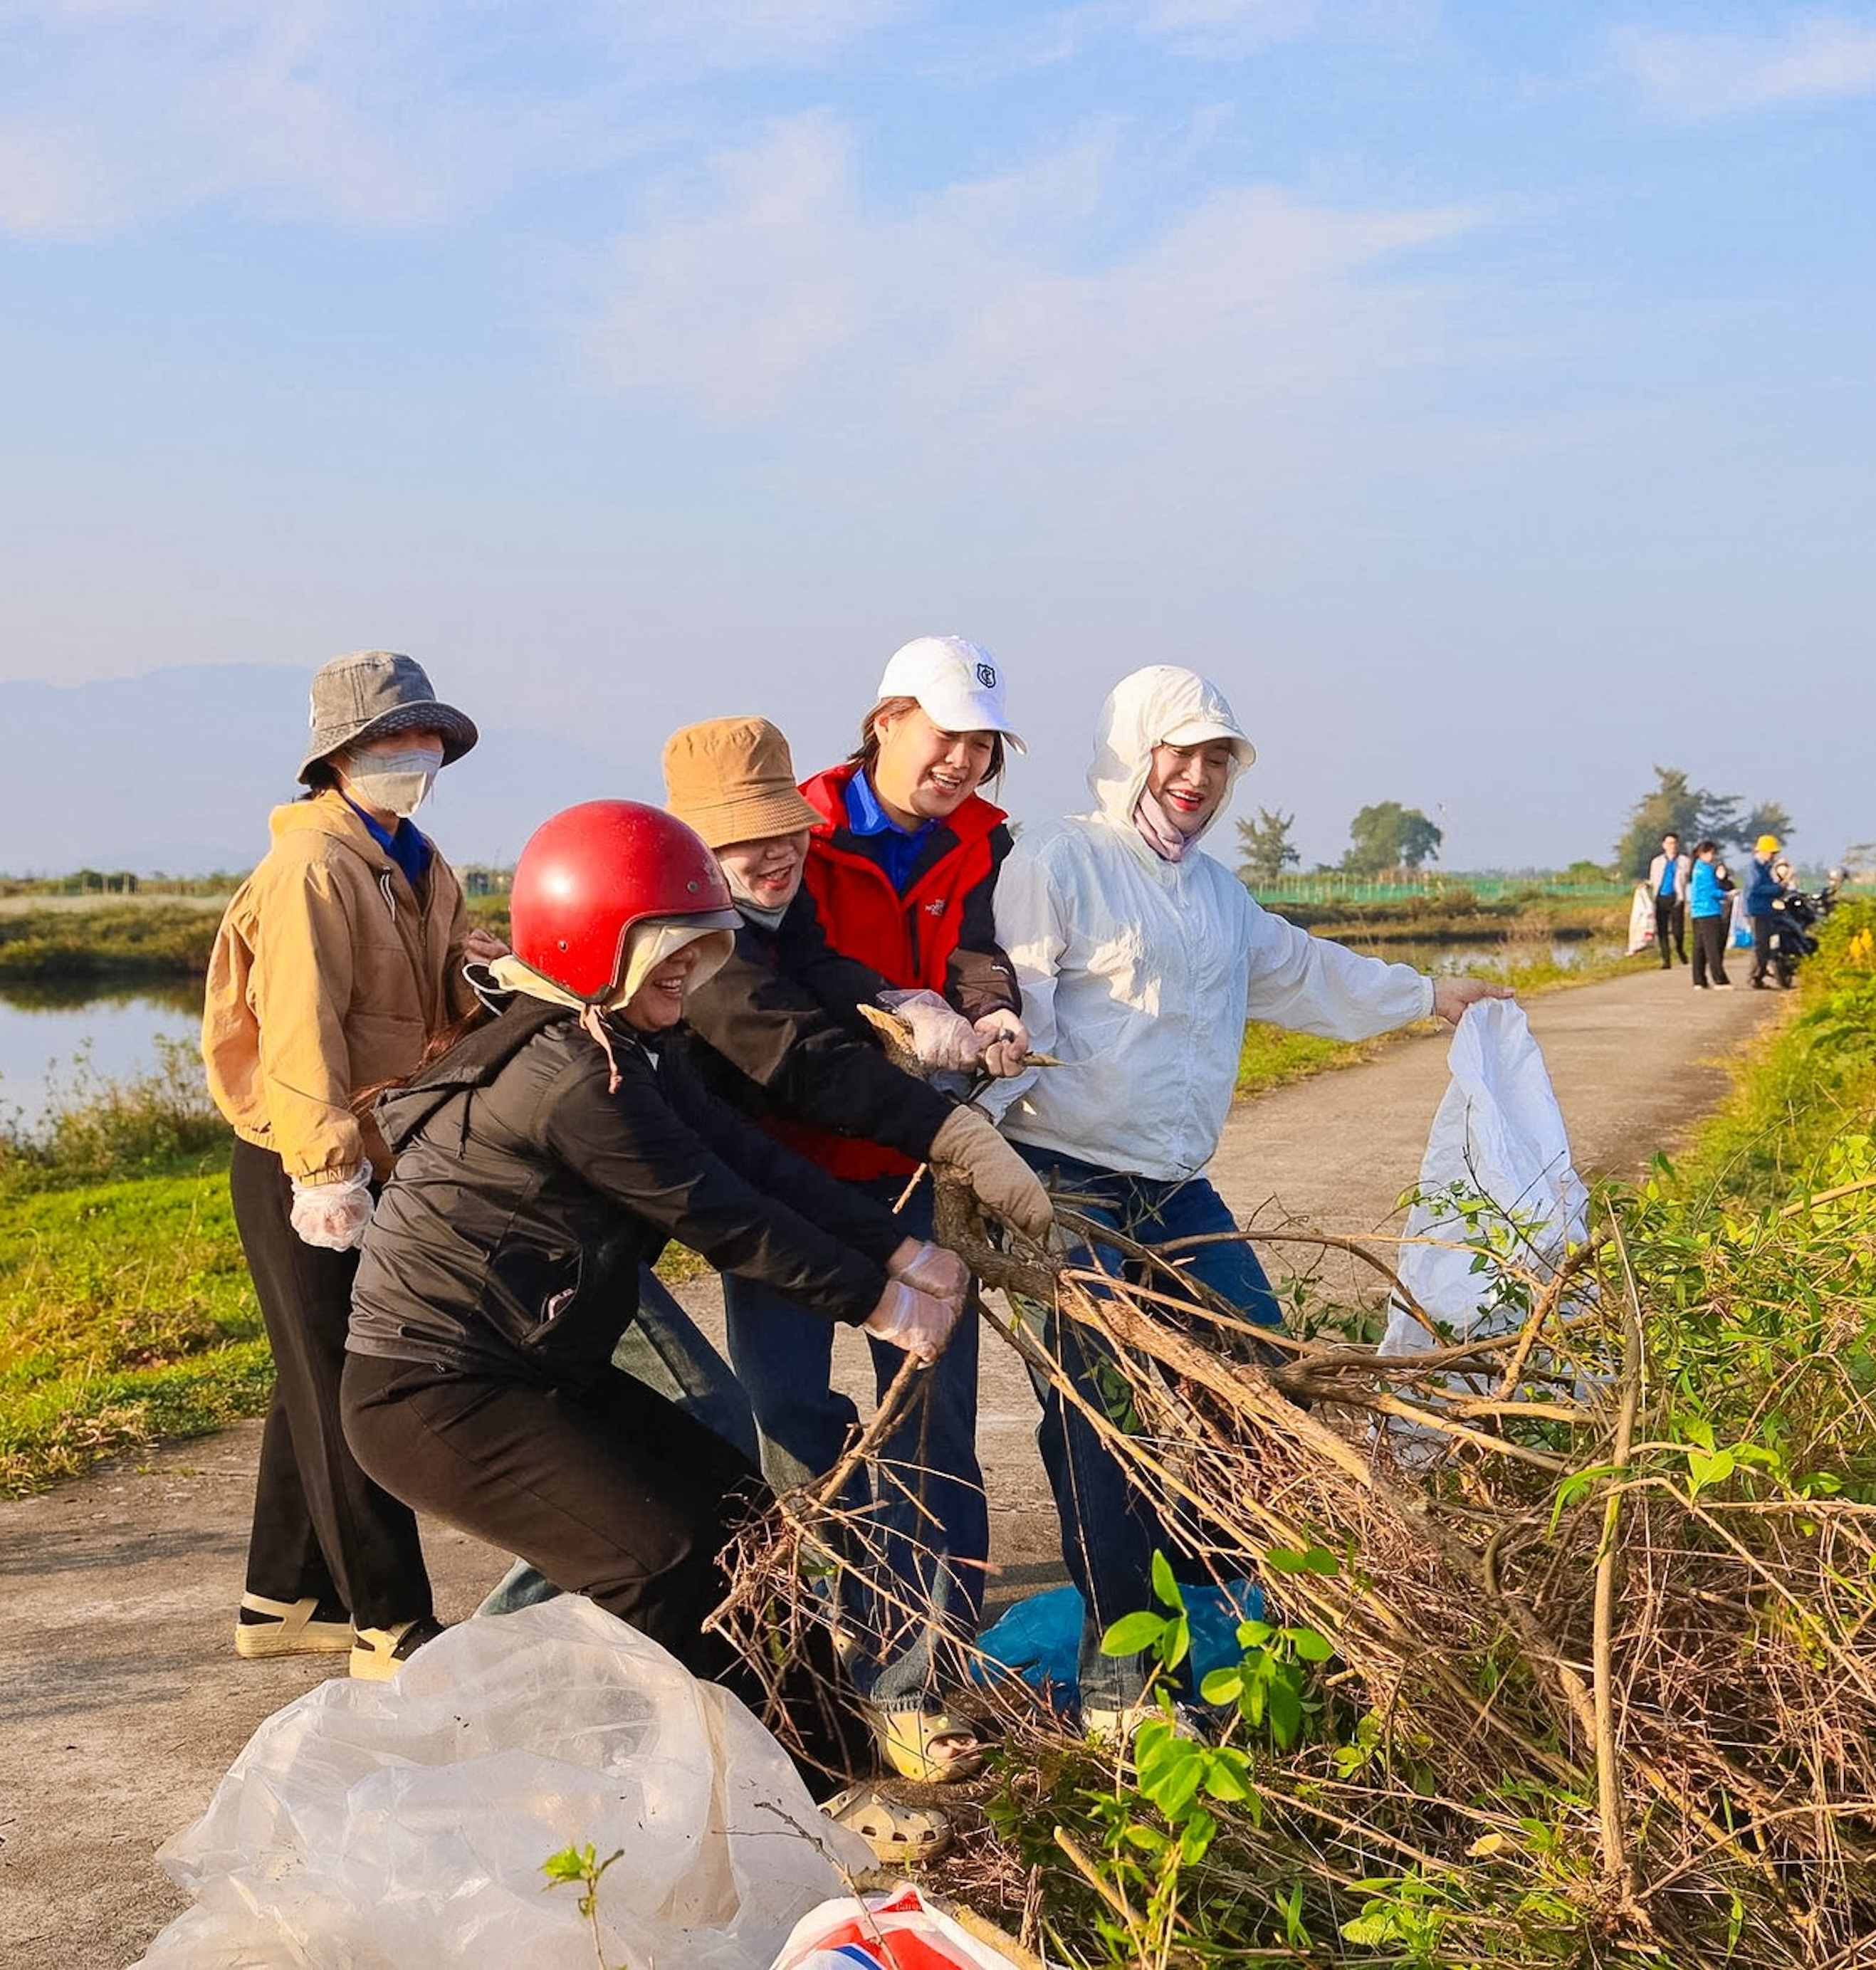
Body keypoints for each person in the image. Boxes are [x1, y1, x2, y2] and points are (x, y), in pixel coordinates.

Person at [339, 800, 964, 1788]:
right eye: (666, 942)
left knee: (746, 1518)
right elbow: (718, 1210)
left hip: (541, 1367)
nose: (689, 964)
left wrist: (900, 1247)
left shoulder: (623, 1042)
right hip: (435, 1393)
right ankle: (666, 1792)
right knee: (661, 1560)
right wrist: (879, 1303)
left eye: (701, 940)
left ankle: (837, 1776)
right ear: (591, 939)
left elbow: (747, 1155)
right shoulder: (569, 1076)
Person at [980, 664, 1512, 1733]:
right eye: (1179, 752)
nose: (1197, 775)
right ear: (1133, 750)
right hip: (1064, 1181)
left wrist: (1428, 994)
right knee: (1097, 1409)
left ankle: (1211, 1584)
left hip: (1175, 1187)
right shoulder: (1058, 859)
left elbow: (1304, 972)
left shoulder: (1216, 895)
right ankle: (1118, 1677)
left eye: (1217, 758)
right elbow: (1011, 1006)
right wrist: (967, 1147)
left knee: (1262, 1380)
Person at [720, 640, 1032, 1777]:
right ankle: (846, 1609)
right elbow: (791, 982)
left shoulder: (981, 837)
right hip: (789, 1163)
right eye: (943, 734)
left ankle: (929, 1658)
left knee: (931, 1409)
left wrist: (986, 1009)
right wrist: (894, 1008)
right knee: (786, 1405)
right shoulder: (791, 825)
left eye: (981, 743)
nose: (960, 760)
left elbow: (980, 946)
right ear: (885, 718)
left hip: (919, 1165)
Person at [201, 649, 497, 1677]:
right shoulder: (310, 869)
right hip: (305, 1162)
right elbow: (298, 1034)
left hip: (380, 1149)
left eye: (424, 736)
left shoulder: (416, 857)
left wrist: (489, 974)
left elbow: (441, 982)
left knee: (314, 1369)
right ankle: (390, 1621)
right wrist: (325, 1170)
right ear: (336, 755)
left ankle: (283, 1596)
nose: (412, 753)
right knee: (345, 1385)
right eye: (388, 738)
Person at [1687, 840, 1733, 990]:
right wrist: (1727, 895)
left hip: (1697, 911)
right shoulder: (1706, 869)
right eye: (1710, 853)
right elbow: (1711, 891)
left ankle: (1699, 979)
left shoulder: (1696, 868)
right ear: (1702, 853)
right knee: (1713, 946)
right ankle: (1719, 979)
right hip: (1709, 911)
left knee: (1699, 947)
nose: (1712, 856)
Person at [1745, 834, 1786, 987]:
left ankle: (1759, 976)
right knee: (1760, 945)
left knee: (1765, 944)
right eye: (1772, 853)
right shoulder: (1754, 868)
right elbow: (1756, 888)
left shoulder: (1764, 867)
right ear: (1763, 851)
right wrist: (1777, 888)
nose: (1773, 856)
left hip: (1764, 909)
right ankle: (1754, 977)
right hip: (1756, 910)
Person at [1647, 832, 1691, 969]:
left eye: (1674, 843)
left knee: (1678, 931)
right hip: (1661, 898)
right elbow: (1653, 880)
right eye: (1669, 843)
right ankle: (1666, 959)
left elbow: (1688, 882)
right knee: (1662, 930)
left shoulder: (1684, 861)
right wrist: (1647, 885)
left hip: (1677, 898)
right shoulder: (1657, 862)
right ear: (1664, 845)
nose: (1672, 846)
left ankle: (1680, 949)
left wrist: (1688, 900)